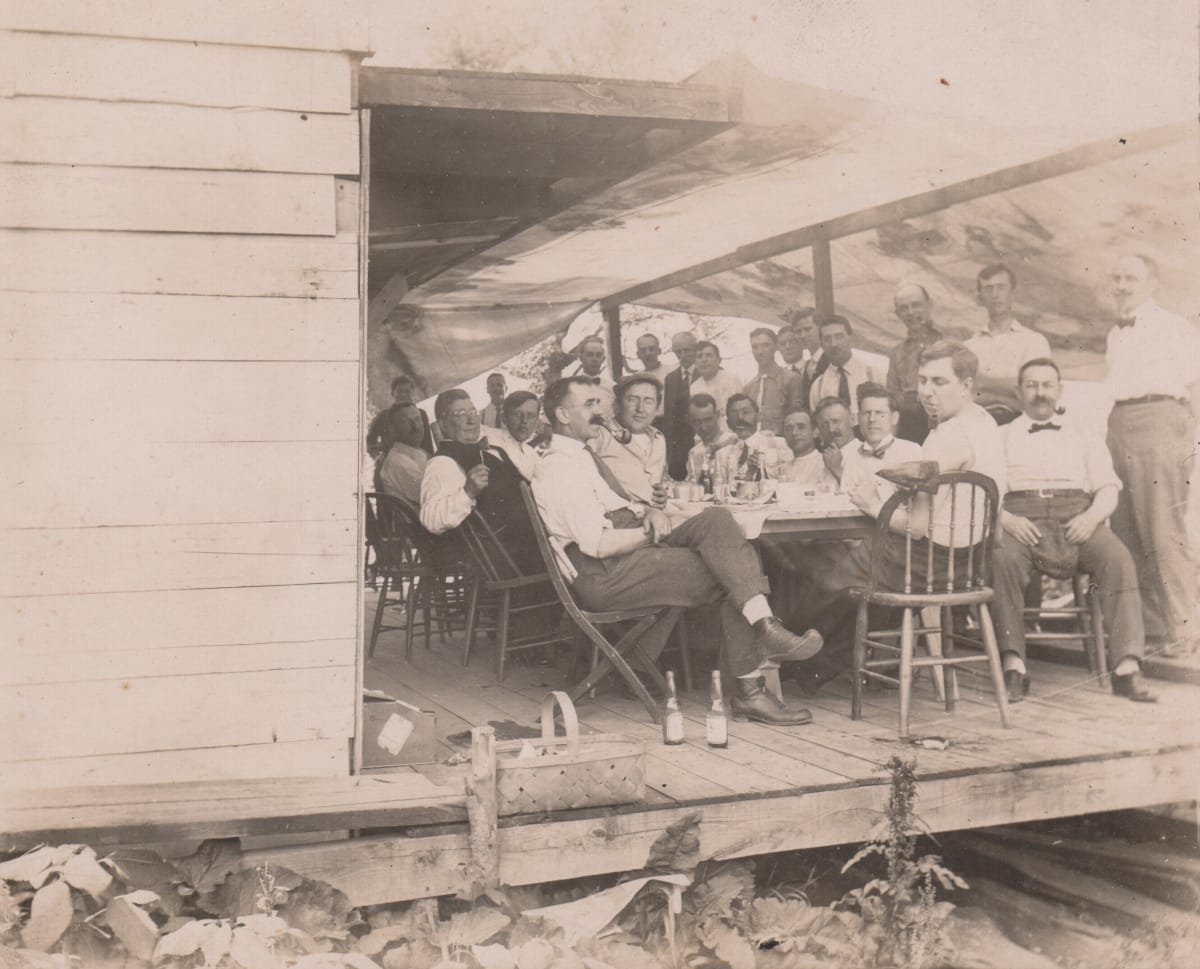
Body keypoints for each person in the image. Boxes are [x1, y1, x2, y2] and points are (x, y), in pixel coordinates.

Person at [532, 376, 824, 724]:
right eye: (589, 405)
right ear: (563, 415)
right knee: (731, 570)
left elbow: (623, 505)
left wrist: (651, 512)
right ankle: (750, 687)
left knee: (717, 521)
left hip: (627, 554)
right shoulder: (560, 468)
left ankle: (763, 631)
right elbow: (597, 544)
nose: (600, 412)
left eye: (599, 403)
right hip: (606, 574)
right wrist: (651, 533)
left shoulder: (580, 456)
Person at [991, 358, 1155, 703]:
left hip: (1076, 516)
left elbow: (1108, 488)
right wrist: (1008, 521)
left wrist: (1091, 518)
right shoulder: (1001, 436)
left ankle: (1126, 666)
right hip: (1023, 518)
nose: (1040, 393)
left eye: (1047, 385)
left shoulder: (1084, 433)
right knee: (1002, 559)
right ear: (1019, 393)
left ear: (1059, 390)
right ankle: (1013, 665)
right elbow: (990, 493)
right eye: (1032, 386)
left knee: (1118, 558)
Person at [831, 341, 1006, 591]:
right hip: (972, 564)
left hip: (930, 565)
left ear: (966, 386)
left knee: (828, 576)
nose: (926, 392)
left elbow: (916, 528)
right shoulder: (986, 421)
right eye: (922, 380)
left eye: (939, 382)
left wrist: (870, 503)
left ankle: (804, 630)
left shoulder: (947, 435)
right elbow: (997, 531)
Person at [1103, 252, 1200, 656]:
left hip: (1161, 420)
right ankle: (1155, 632)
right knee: (1127, 532)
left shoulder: (1173, 326)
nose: (1123, 285)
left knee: (1163, 528)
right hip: (1119, 424)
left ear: (1152, 284)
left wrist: (1186, 436)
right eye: (1118, 277)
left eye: (1132, 278)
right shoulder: (1115, 333)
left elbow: (1194, 383)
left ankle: (1187, 628)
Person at [420, 389, 540, 572]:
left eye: (473, 412)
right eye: (460, 414)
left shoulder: (491, 450)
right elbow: (431, 521)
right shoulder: (442, 463)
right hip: (509, 558)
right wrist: (467, 493)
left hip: (528, 541)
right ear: (443, 425)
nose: (472, 420)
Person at [964, 264, 1050, 424]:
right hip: (977, 425)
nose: (995, 294)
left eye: (1001, 287)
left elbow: (1034, 392)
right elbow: (965, 396)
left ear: (1012, 293)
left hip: (1021, 425)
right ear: (980, 297)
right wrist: (1012, 389)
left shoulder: (1034, 341)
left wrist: (982, 382)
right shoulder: (969, 347)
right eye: (988, 289)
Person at [589, 374, 668, 504]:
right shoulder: (599, 435)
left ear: (657, 409)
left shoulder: (659, 438)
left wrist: (663, 494)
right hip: (626, 517)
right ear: (617, 405)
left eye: (648, 401)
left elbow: (660, 484)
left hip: (659, 513)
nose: (640, 409)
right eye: (632, 399)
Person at [838, 384, 922, 505]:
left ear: (894, 418)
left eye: (880, 413)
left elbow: (918, 504)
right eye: (866, 413)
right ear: (858, 418)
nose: (872, 419)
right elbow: (845, 501)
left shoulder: (911, 452)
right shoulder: (850, 457)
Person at [886, 282, 942, 443]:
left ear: (929, 305)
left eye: (916, 305)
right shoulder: (897, 353)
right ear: (898, 314)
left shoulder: (948, 341)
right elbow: (892, 396)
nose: (910, 313)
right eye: (904, 308)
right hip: (910, 427)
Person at [807, 316, 884, 423]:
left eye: (839, 336)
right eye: (827, 339)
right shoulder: (818, 386)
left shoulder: (873, 375)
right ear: (822, 345)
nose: (834, 344)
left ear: (851, 338)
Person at [714, 394, 792, 484]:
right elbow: (721, 491)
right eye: (734, 414)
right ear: (727, 422)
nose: (740, 418)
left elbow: (789, 482)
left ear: (759, 416)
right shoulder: (722, 455)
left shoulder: (779, 445)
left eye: (746, 412)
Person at [742, 327, 806, 434]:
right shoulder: (748, 388)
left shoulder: (791, 379)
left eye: (765, 345)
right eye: (755, 347)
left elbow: (796, 419)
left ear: (775, 347)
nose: (760, 351)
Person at [376, 402, 431, 504]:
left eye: (417, 419)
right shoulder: (397, 461)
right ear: (394, 428)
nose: (415, 427)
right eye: (405, 422)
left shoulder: (420, 453)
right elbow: (432, 496)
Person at [663, 331, 699, 481]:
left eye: (687, 350)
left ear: (695, 349)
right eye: (678, 351)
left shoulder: (706, 373)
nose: (683, 355)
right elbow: (668, 415)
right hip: (677, 448)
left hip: (699, 441)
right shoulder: (670, 378)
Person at [488, 390, 545, 481]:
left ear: (536, 421)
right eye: (517, 414)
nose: (524, 421)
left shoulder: (531, 454)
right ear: (504, 418)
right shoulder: (493, 444)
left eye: (530, 415)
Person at [778, 408, 836, 488]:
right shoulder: (783, 469)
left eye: (801, 427)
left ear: (815, 432)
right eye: (788, 429)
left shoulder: (826, 464)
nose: (794, 433)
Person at [684, 393, 736, 482]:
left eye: (708, 420)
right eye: (697, 422)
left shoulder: (734, 445)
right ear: (689, 421)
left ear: (718, 415)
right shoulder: (694, 453)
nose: (703, 427)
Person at [690, 340, 743, 427]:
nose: (704, 360)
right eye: (699, 356)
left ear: (719, 360)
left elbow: (738, 413)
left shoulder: (731, 379)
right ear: (695, 362)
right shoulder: (694, 387)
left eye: (709, 355)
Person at [813, 396, 858, 482]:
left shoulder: (865, 455)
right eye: (825, 424)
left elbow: (867, 494)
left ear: (852, 420)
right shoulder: (818, 460)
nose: (831, 429)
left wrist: (837, 470)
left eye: (836, 421)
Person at [635, 333, 671, 419]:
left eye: (651, 349)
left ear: (659, 351)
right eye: (643, 350)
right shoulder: (635, 378)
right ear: (638, 354)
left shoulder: (671, 372)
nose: (648, 353)